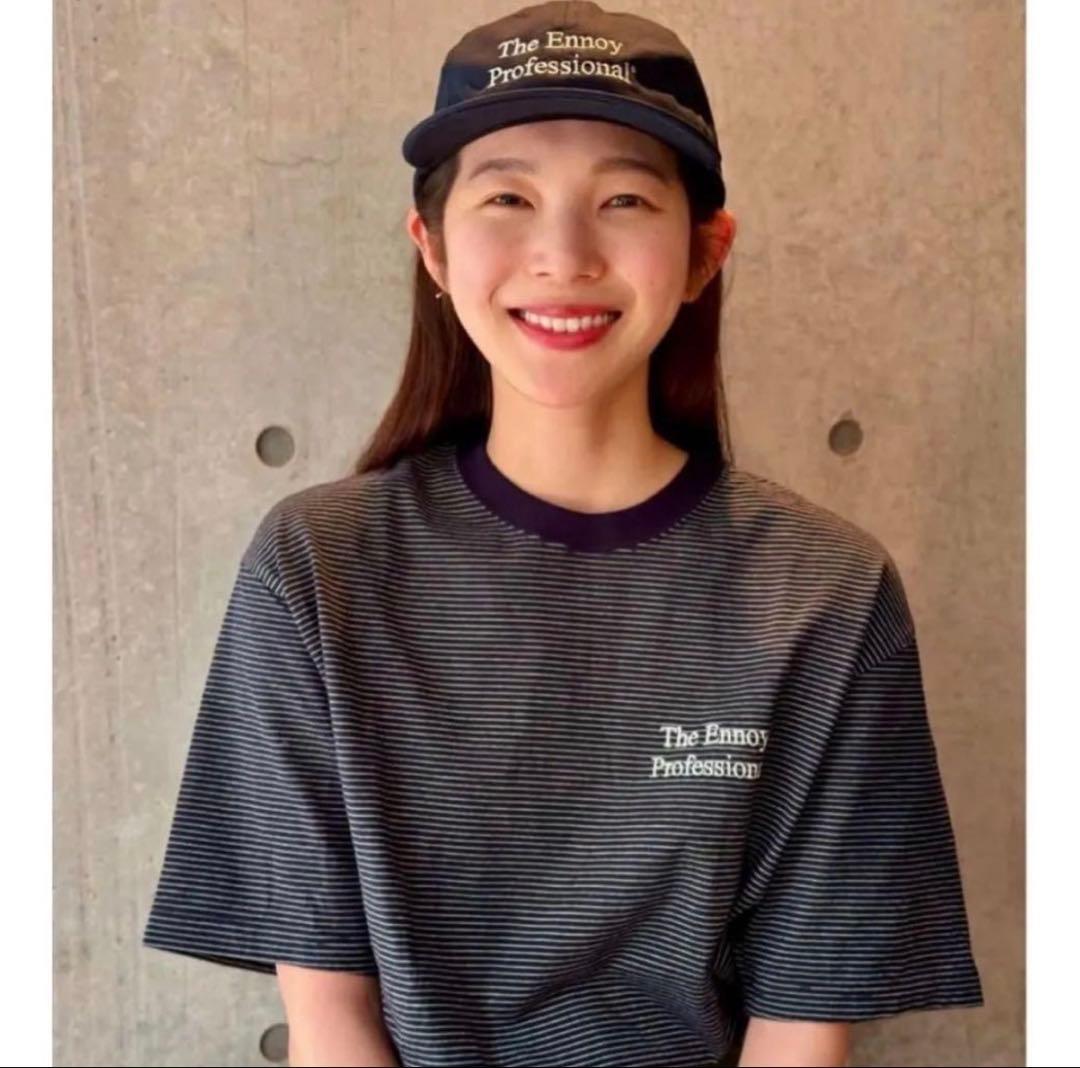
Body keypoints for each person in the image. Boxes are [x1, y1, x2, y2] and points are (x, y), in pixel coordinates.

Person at [141, 3, 985, 1066]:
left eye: (624, 199)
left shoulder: (825, 592)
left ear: (704, 252)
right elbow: (331, 1022)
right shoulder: (319, 568)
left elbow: (803, 1023)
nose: (563, 254)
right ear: (431, 247)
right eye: (508, 197)